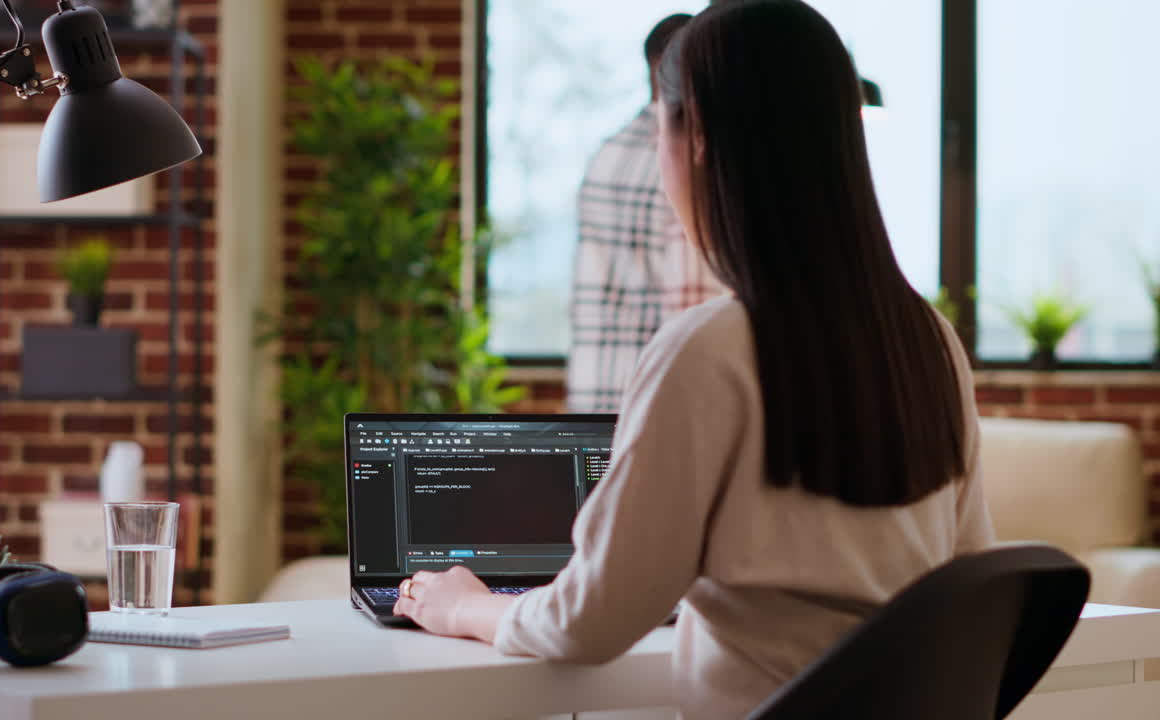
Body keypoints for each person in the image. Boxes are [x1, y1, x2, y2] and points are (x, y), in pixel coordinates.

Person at [394, 1, 994, 718]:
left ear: (697, 135)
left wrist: (468, 607)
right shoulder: (928, 339)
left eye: (661, 127)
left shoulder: (707, 353)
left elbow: (592, 619)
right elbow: (970, 576)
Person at [567, 12, 723, 413]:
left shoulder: (609, 152)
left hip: (597, 392)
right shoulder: (684, 154)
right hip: (659, 404)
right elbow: (694, 311)